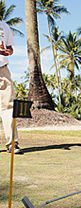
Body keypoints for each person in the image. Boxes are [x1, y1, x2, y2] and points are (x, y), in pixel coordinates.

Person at [0, 20, 22, 154]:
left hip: (2, 70)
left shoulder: (4, 26)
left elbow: (10, 47)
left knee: (8, 107)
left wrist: (8, 51)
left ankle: (12, 143)